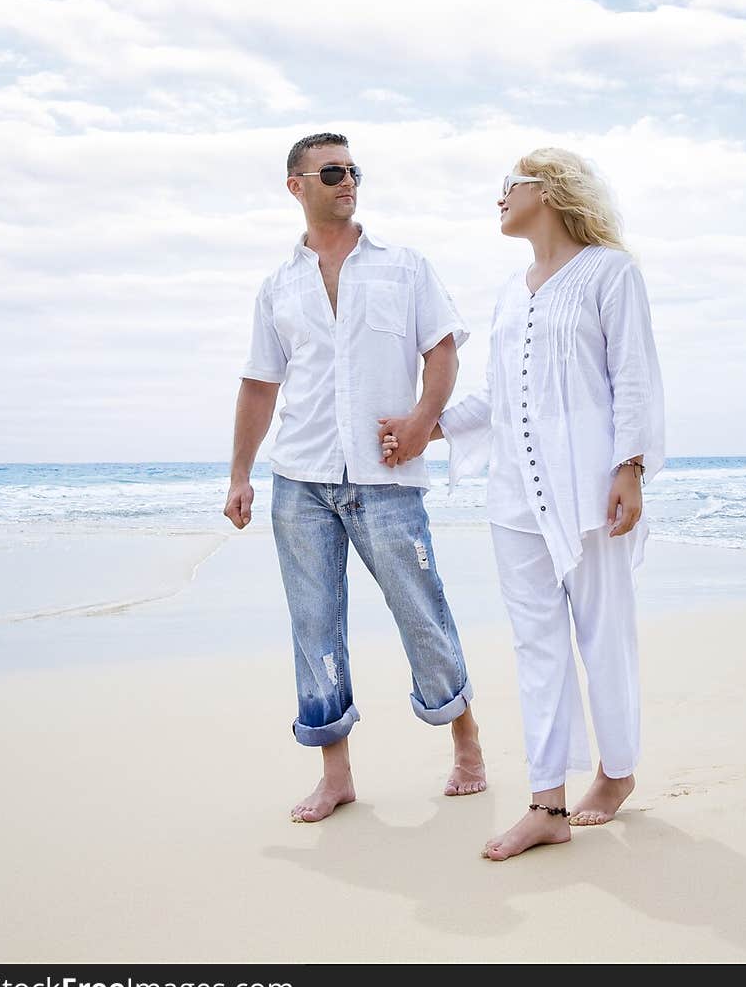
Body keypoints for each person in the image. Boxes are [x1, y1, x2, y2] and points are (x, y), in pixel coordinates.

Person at [382, 147, 664, 861]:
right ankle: (546, 803)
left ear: (550, 188)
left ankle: (617, 771)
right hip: (513, 499)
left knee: (604, 636)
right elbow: (499, 398)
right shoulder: (512, 291)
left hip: (590, 491)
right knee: (536, 648)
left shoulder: (610, 272)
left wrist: (629, 466)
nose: (498, 199)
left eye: (508, 185)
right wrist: (429, 425)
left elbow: (633, 375)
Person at [224, 131, 486, 823]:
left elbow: (441, 350)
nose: (347, 181)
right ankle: (335, 774)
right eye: (332, 171)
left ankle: (466, 744)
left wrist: (425, 419)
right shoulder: (277, 286)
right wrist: (239, 475)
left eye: (353, 170)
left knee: (421, 610)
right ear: (297, 186)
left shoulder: (404, 266)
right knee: (314, 626)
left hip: (386, 475)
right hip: (300, 479)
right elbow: (259, 385)